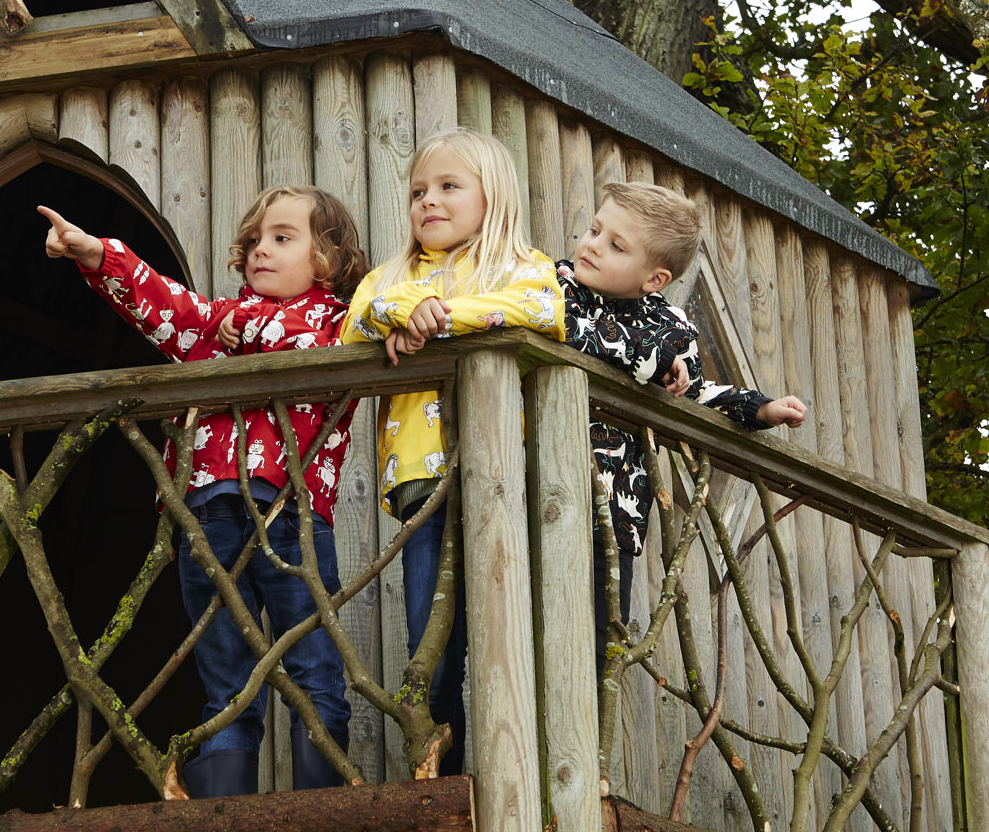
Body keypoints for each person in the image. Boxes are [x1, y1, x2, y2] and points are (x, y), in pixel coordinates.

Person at [38, 185, 370, 798]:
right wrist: (97, 255)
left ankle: (325, 814)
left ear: (327, 260)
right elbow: (165, 306)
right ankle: (227, 822)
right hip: (208, 510)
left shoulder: (340, 322)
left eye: (281, 238)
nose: (258, 251)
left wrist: (225, 332)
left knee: (314, 668)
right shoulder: (220, 325)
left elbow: (305, 341)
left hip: (288, 513)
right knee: (225, 679)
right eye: (252, 242)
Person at [340, 127, 563, 774]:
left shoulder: (520, 264)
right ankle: (443, 786)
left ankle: (516, 781)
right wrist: (414, 306)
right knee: (431, 645)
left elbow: (543, 309)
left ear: (492, 196)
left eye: (448, 187)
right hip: (420, 481)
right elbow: (359, 313)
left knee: (505, 635)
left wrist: (443, 319)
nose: (428, 201)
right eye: (417, 191)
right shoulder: (396, 276)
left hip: (502, 473)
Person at [556, 181, 807, 649]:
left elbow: (693, 393)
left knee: (593, 642)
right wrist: (645, 356)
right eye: (594, 230)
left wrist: (759, 408)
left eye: (615, 245)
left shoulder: (672, 329)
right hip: (538, 484)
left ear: (654, 279)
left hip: (614, 513)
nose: (591, 246)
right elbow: (569, 330)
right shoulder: (554, 287)